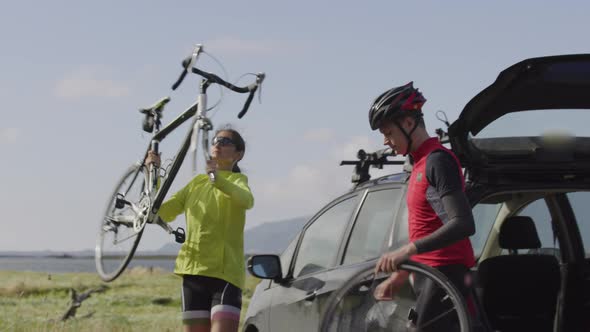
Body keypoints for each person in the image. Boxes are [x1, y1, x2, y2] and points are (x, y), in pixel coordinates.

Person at [368, 82, 476, 331]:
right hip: (431, 279)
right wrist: (401, 276)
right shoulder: (419, 165)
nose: (386, 141)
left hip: (447, 279)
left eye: (388, 132)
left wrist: (406, 251)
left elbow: (462, 223)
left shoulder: (438, 161)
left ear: (408, 123)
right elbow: (427, 228)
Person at [146, 127, 254, 332]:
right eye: (215, 140)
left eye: (225, 141)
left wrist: (217, 178)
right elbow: (160, 213)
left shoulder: (238, 181)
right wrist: (153, 175)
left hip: (226, 275)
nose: (218, 144)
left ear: (239, 154)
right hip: (192, 272)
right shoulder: (196, 183)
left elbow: (246, 200)